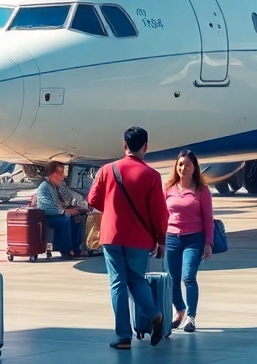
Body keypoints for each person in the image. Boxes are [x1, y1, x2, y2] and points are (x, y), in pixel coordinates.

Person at [86, 126, 168, 350]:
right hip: (139, 238)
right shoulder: (152, 176)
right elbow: (159, 212)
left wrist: (113, 209)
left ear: (124, 145)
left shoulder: (107, 170)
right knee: (137, 279)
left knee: (117, 284)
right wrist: (161, 240)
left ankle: (123, 337)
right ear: (146, 147)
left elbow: (92, 199)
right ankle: (154, 314)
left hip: (112, 235)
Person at [164, 150, 214, 333]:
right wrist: (157, 240)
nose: (183, 168)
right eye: (180, 164)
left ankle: (191, 317)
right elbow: (162, 215)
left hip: (194, 239)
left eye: (187, 165)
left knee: (189, 277)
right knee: (171, 279)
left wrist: (208, 243)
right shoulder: (169, 188)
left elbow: (208, 218)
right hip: (171, 238)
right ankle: (180, 310)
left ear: (195, 168)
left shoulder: (201, 190)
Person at [35, 162, 86, 258]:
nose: (63, 177)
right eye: (61, 173)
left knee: (77, 219)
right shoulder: (44, 187)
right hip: (47, 218)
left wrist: (71, 209)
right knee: (65, 221)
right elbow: (46, 207)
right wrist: (66, 212)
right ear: (54, 174)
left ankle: (76, 249)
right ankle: (66, 250)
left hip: (53, 215)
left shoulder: (53, 186)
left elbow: (58, 204)